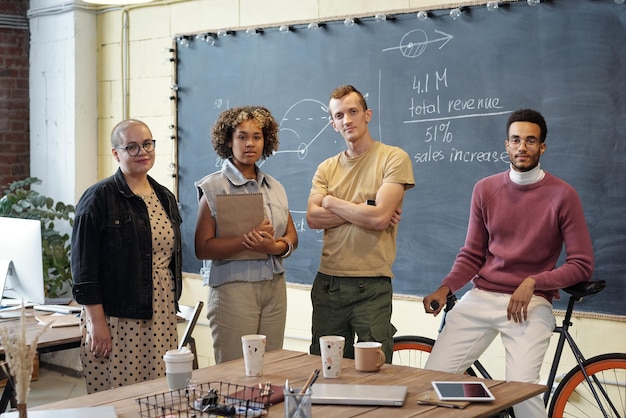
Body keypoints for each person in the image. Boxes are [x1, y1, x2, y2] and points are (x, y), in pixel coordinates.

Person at [422, 109, 594, 418]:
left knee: (522, 391)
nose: (522, 147)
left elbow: (582, 265)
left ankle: (504, 401)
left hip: (530, 304)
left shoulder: (563, 195)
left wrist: (534, 281)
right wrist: (444, 288)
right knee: (432, 382)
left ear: (542, 147)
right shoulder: (485, 189)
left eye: (530, 140)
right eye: (516, 140)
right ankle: (488, 406)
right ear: (506, 145)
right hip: (481, 298)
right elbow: (472, 254)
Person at [71, 119, 183, 394]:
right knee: (120, 393)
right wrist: (97, 323)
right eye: (131, 147)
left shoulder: (164, 196)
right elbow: (83, 268)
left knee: (157, 392)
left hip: (161, 310)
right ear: (116, 153)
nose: (142, 152)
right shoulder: (98, 198)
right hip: (116, 315)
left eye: (147, 144)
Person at [306, 85, 415, 361]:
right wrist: (365, 209)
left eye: (353, 111)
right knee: (325, 371)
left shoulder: (393, 158)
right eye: (339, 115)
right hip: (328, 284)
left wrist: (330, 202)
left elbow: (379, 219)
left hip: (372, 284)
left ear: (367, 115)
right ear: (333, 124)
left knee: (375, 372)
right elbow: (312, 218)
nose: (347, 120)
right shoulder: (326, 168)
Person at [195, 106, 298, 364]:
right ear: (228, 140)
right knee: (236, 370)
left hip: (274, 289)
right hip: (233, 289)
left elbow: (291, 235)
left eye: (257, 137)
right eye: (242, 136)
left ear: (266, 141)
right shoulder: (213, 186)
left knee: (271, 366)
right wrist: (245, 241)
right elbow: (202, 247)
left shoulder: (275, 187)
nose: (250, 143)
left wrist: (275, 247)